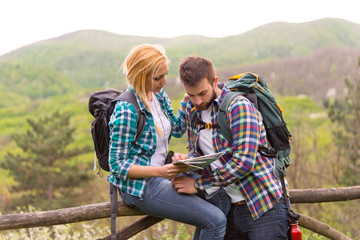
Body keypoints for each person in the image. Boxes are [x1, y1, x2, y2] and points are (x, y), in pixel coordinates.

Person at [107, 44, 227, 240]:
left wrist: (190, 98)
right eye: (158, 78)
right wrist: (160, 171)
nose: (165, 81)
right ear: (140, 76)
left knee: (220, 197)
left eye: (165, 75)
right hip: (141, 186)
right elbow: (117, 166)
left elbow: (178, 128)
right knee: (216, 220)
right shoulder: (126, 110)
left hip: (164, 173)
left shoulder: (158, 95)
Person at [172, 55, 289, 239]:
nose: (198, 101)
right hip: (224, 209)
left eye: (202, 93)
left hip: (262, 206)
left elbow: (243, 163)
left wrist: (198, 184)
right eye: (191, 95)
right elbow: (203, 152)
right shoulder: (192, 110)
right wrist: (188, 160)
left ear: (215, 82)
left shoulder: (238, 107)